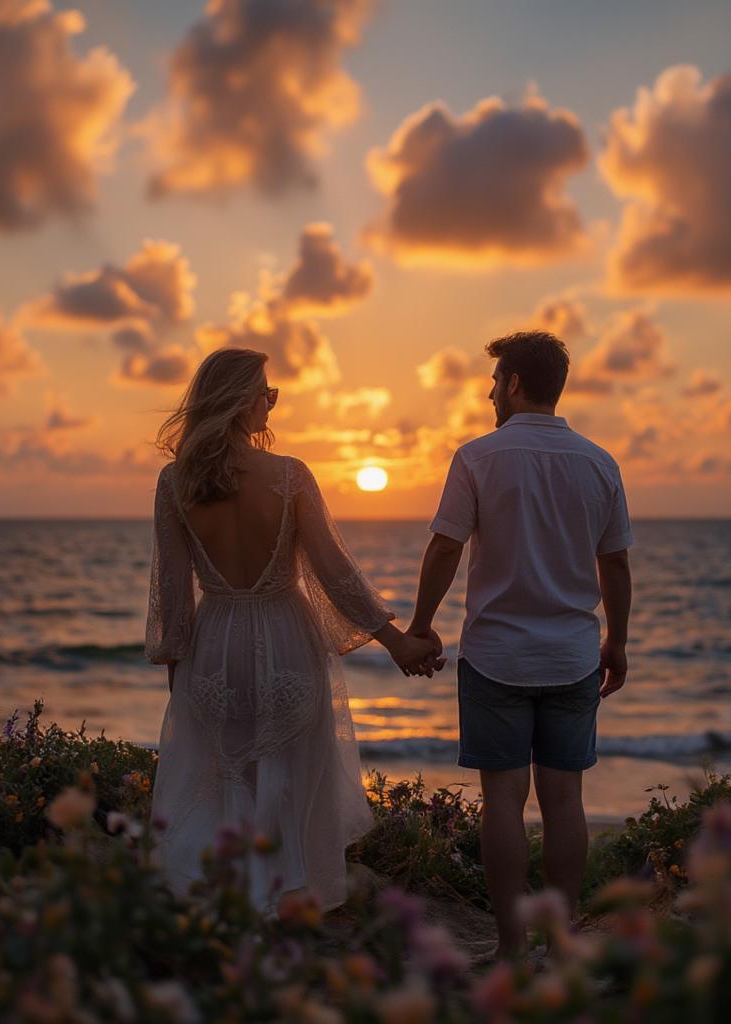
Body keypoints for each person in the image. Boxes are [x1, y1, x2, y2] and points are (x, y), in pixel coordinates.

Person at [144, 347, 437, 913]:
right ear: (240, 402)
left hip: (215, 646)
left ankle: (230, 902)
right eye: (267, 394)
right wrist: (398, 642)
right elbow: (336, 575)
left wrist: (180, 678)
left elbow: (173, 597)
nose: (271, 405)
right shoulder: (289, 475)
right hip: (285, 638)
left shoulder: (174, 483)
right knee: (293, 777)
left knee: (224, 777)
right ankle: (285, 903)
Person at [406, 330, 633, 956]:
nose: (488, 392)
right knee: (565, 801)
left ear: (511, 384)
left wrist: (422, 626)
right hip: (571, 656)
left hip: (497, 656)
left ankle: (510, 947)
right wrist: (617, 639)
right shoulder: (598, 462)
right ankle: (558, 944)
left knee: (502, 801)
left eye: (494, 381)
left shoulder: (477, 457)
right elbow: (613, 564)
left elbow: (446, 546)